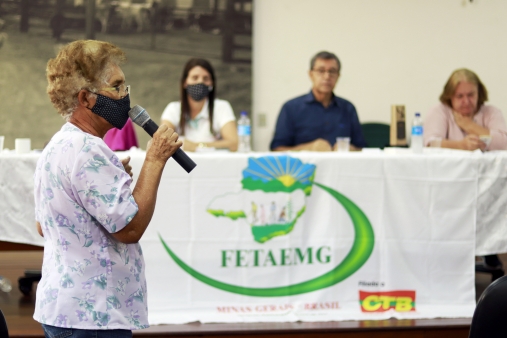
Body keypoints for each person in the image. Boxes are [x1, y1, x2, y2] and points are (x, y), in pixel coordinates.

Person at [33, 40, 182, 337]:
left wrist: (110, 184)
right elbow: (128, 229)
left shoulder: (59, 144)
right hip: (92, 316)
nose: (125, 96)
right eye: (116, 86)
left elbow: (43, 225)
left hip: (65, 309)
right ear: (86, 98)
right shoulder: (88, 150)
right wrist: (155, 158)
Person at [270, 51, 367, 151]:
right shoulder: (291, 108)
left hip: (340, 166)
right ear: (311, 74)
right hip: (304, 166)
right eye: (321, 71)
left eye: (332, 71)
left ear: (338, 76)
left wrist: (348, 149)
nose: (327, 77)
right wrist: (310, 148)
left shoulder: (348, 108)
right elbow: (277, 149)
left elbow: (362, 148)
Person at [160, 58, 238, 152]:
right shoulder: (173, 109)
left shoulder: (221, 107)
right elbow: (162, 141)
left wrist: (197, 146)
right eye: (195, 77)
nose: (200, 82)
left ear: (211, 84)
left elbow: (233, 144)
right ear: (185, 82)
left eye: (206, 78)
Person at [424, 68, 507, 151]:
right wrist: (461, 145)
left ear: (479, 93)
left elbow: (505, 144)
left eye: (470, 95)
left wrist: (469, 125)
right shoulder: (439, 111)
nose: (466, 102)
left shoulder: (491, 112)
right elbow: (430, 143)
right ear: (449, 96)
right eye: (460, 96)